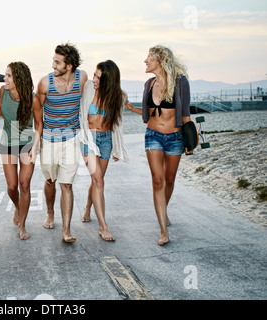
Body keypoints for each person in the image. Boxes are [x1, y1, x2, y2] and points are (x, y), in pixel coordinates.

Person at [126, 45, 191, 246]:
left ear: (160, 60)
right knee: (157, 181)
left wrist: (190, 141)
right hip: (153, 135)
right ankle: (163, 230)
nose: (145, 61)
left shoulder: (180, 82)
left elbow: (186, 113)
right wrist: (129, 107)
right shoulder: (149, 83)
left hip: (175, 137)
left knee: (169, 181)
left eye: (149, 58)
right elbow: (148, 114)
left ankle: (164, 210)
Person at [33, 43, 88, 243]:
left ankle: (66, 230)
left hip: (71, 139)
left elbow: (88, 101)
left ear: (70, 65)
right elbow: (37, 114)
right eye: (53, 61)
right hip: (49, 139)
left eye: (58, 62)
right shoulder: (44, 84)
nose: (53, 65)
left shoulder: (82, 78)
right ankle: (50, 212)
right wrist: (37, 141)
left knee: (66, 184)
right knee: (50, 180)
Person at [78, 60, 129, 241]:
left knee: (97, 179)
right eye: (94, 75)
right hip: (88, 138)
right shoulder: (87, 89)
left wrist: (117, 148)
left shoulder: (119, 97)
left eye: (99, 77)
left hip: (105, 140)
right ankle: (103, 227)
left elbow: (118, 124)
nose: (94, 80)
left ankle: (87, 207)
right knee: (98, 180)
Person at [0, 62, 35, 240]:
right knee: (12, 186)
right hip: (8, 140)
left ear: (19, 79)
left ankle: (22, 224)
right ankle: (18, 206)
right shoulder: (3, 92)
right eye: (5, 75)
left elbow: (39, 123)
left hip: (27, 141)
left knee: (24, 184)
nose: (5, 78)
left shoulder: (34, 98)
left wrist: (36, 147)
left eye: (9, 76)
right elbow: (1, 112)